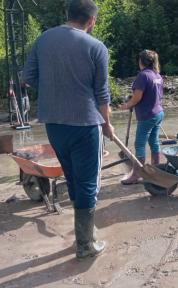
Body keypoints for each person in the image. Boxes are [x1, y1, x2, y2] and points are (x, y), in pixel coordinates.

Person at [23, 0, 113, 258]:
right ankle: (85, 244)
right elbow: (102, 93)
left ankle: (85, 231)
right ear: (91, 20)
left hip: (53, 124)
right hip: (85, 124)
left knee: (72, 177)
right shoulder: (96, 47)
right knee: (88, 182)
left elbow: (27, 77)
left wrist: (54, 85)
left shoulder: (43, 40)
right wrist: (107, 123)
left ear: (68, 15)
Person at [120, 50, 165, 184]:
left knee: (139, 144)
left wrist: (127, 105)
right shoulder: (157, 75)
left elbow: (137, 97)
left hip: (147, 115)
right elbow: (156, 94)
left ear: (141, 62)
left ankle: (136, 174)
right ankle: (156, 170)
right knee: (154, 142)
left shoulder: (143, 76)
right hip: (158, 113)